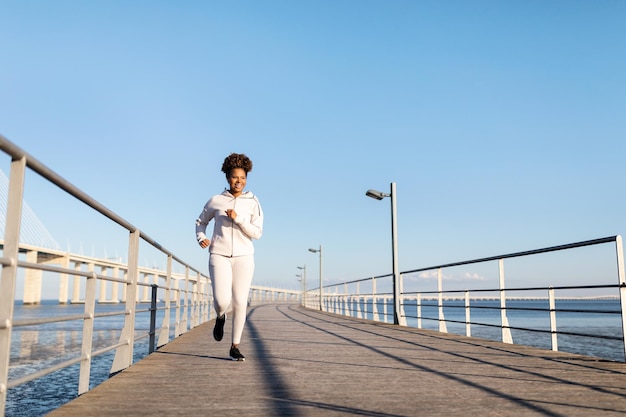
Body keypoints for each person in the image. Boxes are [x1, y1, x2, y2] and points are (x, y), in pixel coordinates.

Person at [195, 153, 264, 361]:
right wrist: (201, 237)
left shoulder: (253, 202)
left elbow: (257, 233)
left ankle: (235, 346)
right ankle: (220, 316)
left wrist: (239, 219)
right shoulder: (216, 201)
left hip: (244, 257)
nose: (239, 181)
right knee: (221, 300)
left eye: (243, 178)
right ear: (227, 178)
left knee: (240, 302)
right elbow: (200, 221)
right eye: (235, 177)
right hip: (219, 254)